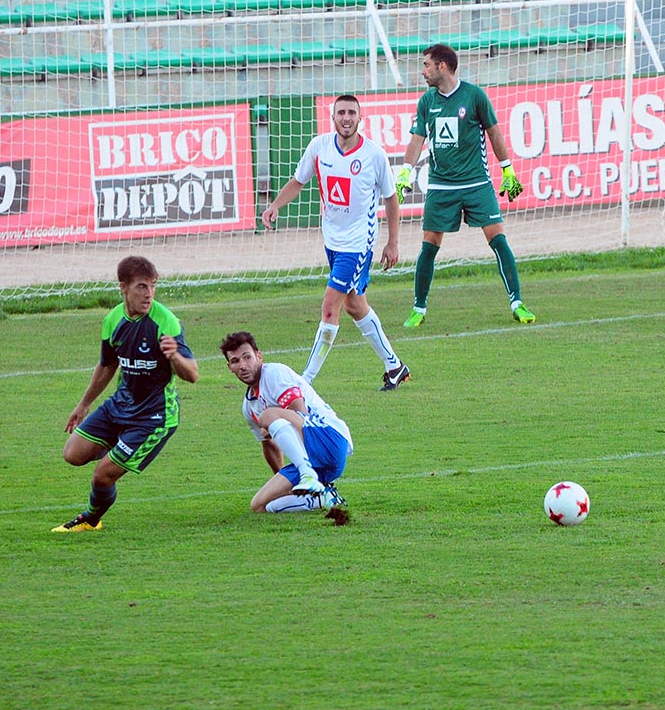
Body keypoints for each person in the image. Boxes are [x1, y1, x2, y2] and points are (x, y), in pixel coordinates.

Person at [261, 94, 410, 392]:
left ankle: (305, 382)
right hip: (332, 240)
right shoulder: (319, 147)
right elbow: (298, 180)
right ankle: (395, 366)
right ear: (333, 117)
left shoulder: (374, 155)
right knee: (355, 305)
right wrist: (275, 205)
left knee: (331, 307)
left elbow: (391, 198)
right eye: (341, 112)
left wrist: (393, 243)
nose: (346, 118)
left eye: (351, 113)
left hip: (358, 244)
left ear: (360, 117)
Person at [52, 256, 200, 532]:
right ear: (124, 288)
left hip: (154, 417)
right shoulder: (113, 321)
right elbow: (108, 365)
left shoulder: (165, 322)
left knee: (102, 476)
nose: (149, 294)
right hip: (120, 406)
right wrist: (84, 405)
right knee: (72, 453)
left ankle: (91, 519)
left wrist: (174, 356)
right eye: (142, 287)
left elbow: (192, 374)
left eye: (153, 287)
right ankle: (119, 449)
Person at [394, 43, 534, 327]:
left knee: (498, 239)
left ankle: (517, 303)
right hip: (441, 185)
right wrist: (405, 172)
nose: (423, 71)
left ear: (442, 66)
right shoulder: (426, 101)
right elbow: (417, 139)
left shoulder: (474, 96)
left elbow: (494, 132)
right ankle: (418, 309)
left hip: (476, 183)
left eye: (426, 65)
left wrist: (508, 171)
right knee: (429, 244)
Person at [220, 331, 351, 513]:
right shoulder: (249, 407)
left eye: (247, 357)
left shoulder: (274, 373)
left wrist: (271, 421)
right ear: (229, 367)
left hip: (330, 438)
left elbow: (300, 412)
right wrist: (284, 482)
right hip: (313, 460)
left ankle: (307, 474)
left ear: (259, 356)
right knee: (259, 506)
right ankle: (324, 498)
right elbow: (270, 446)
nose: (242, 365)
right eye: (235, 361)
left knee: (268, 415)